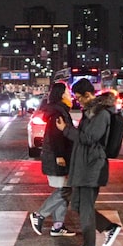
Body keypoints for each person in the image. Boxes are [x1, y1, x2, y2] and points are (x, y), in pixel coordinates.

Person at [56, 78, 120, 246]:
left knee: (84, 207)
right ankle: (108, 227)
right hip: (84, 165)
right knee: (77, 204)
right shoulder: (91, 111)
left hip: (92, 166)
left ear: (88, 94)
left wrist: (66, 130)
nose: (78, 101)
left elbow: (89, 138)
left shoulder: (101, 114)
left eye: (79, 97)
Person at [29, 82, 76, 237]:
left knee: (63, 189)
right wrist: (60, 156)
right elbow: (56, 137)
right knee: (65, 189)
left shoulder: (59, 111)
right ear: (62, 95)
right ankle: (40, 215)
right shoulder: (58, 113)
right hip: (58, 156)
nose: (70, 95)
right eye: (68, 93)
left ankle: (57, 225)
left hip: (58, 156)